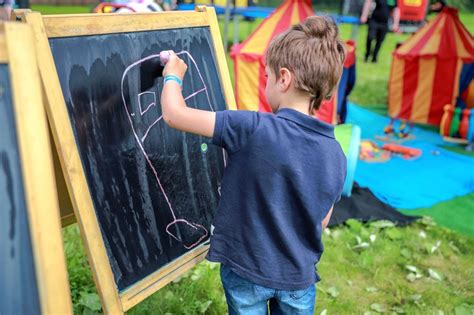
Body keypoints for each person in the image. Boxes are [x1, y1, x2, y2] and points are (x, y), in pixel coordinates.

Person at [160, 16, 347, 314]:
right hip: (299, 278)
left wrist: (172, 75)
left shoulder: (251, 127)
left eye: (268, 77)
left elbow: (174, 114)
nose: (266, 84)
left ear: (284, 78)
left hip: (246, 271)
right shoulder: (336, 152)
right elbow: (322, 220)